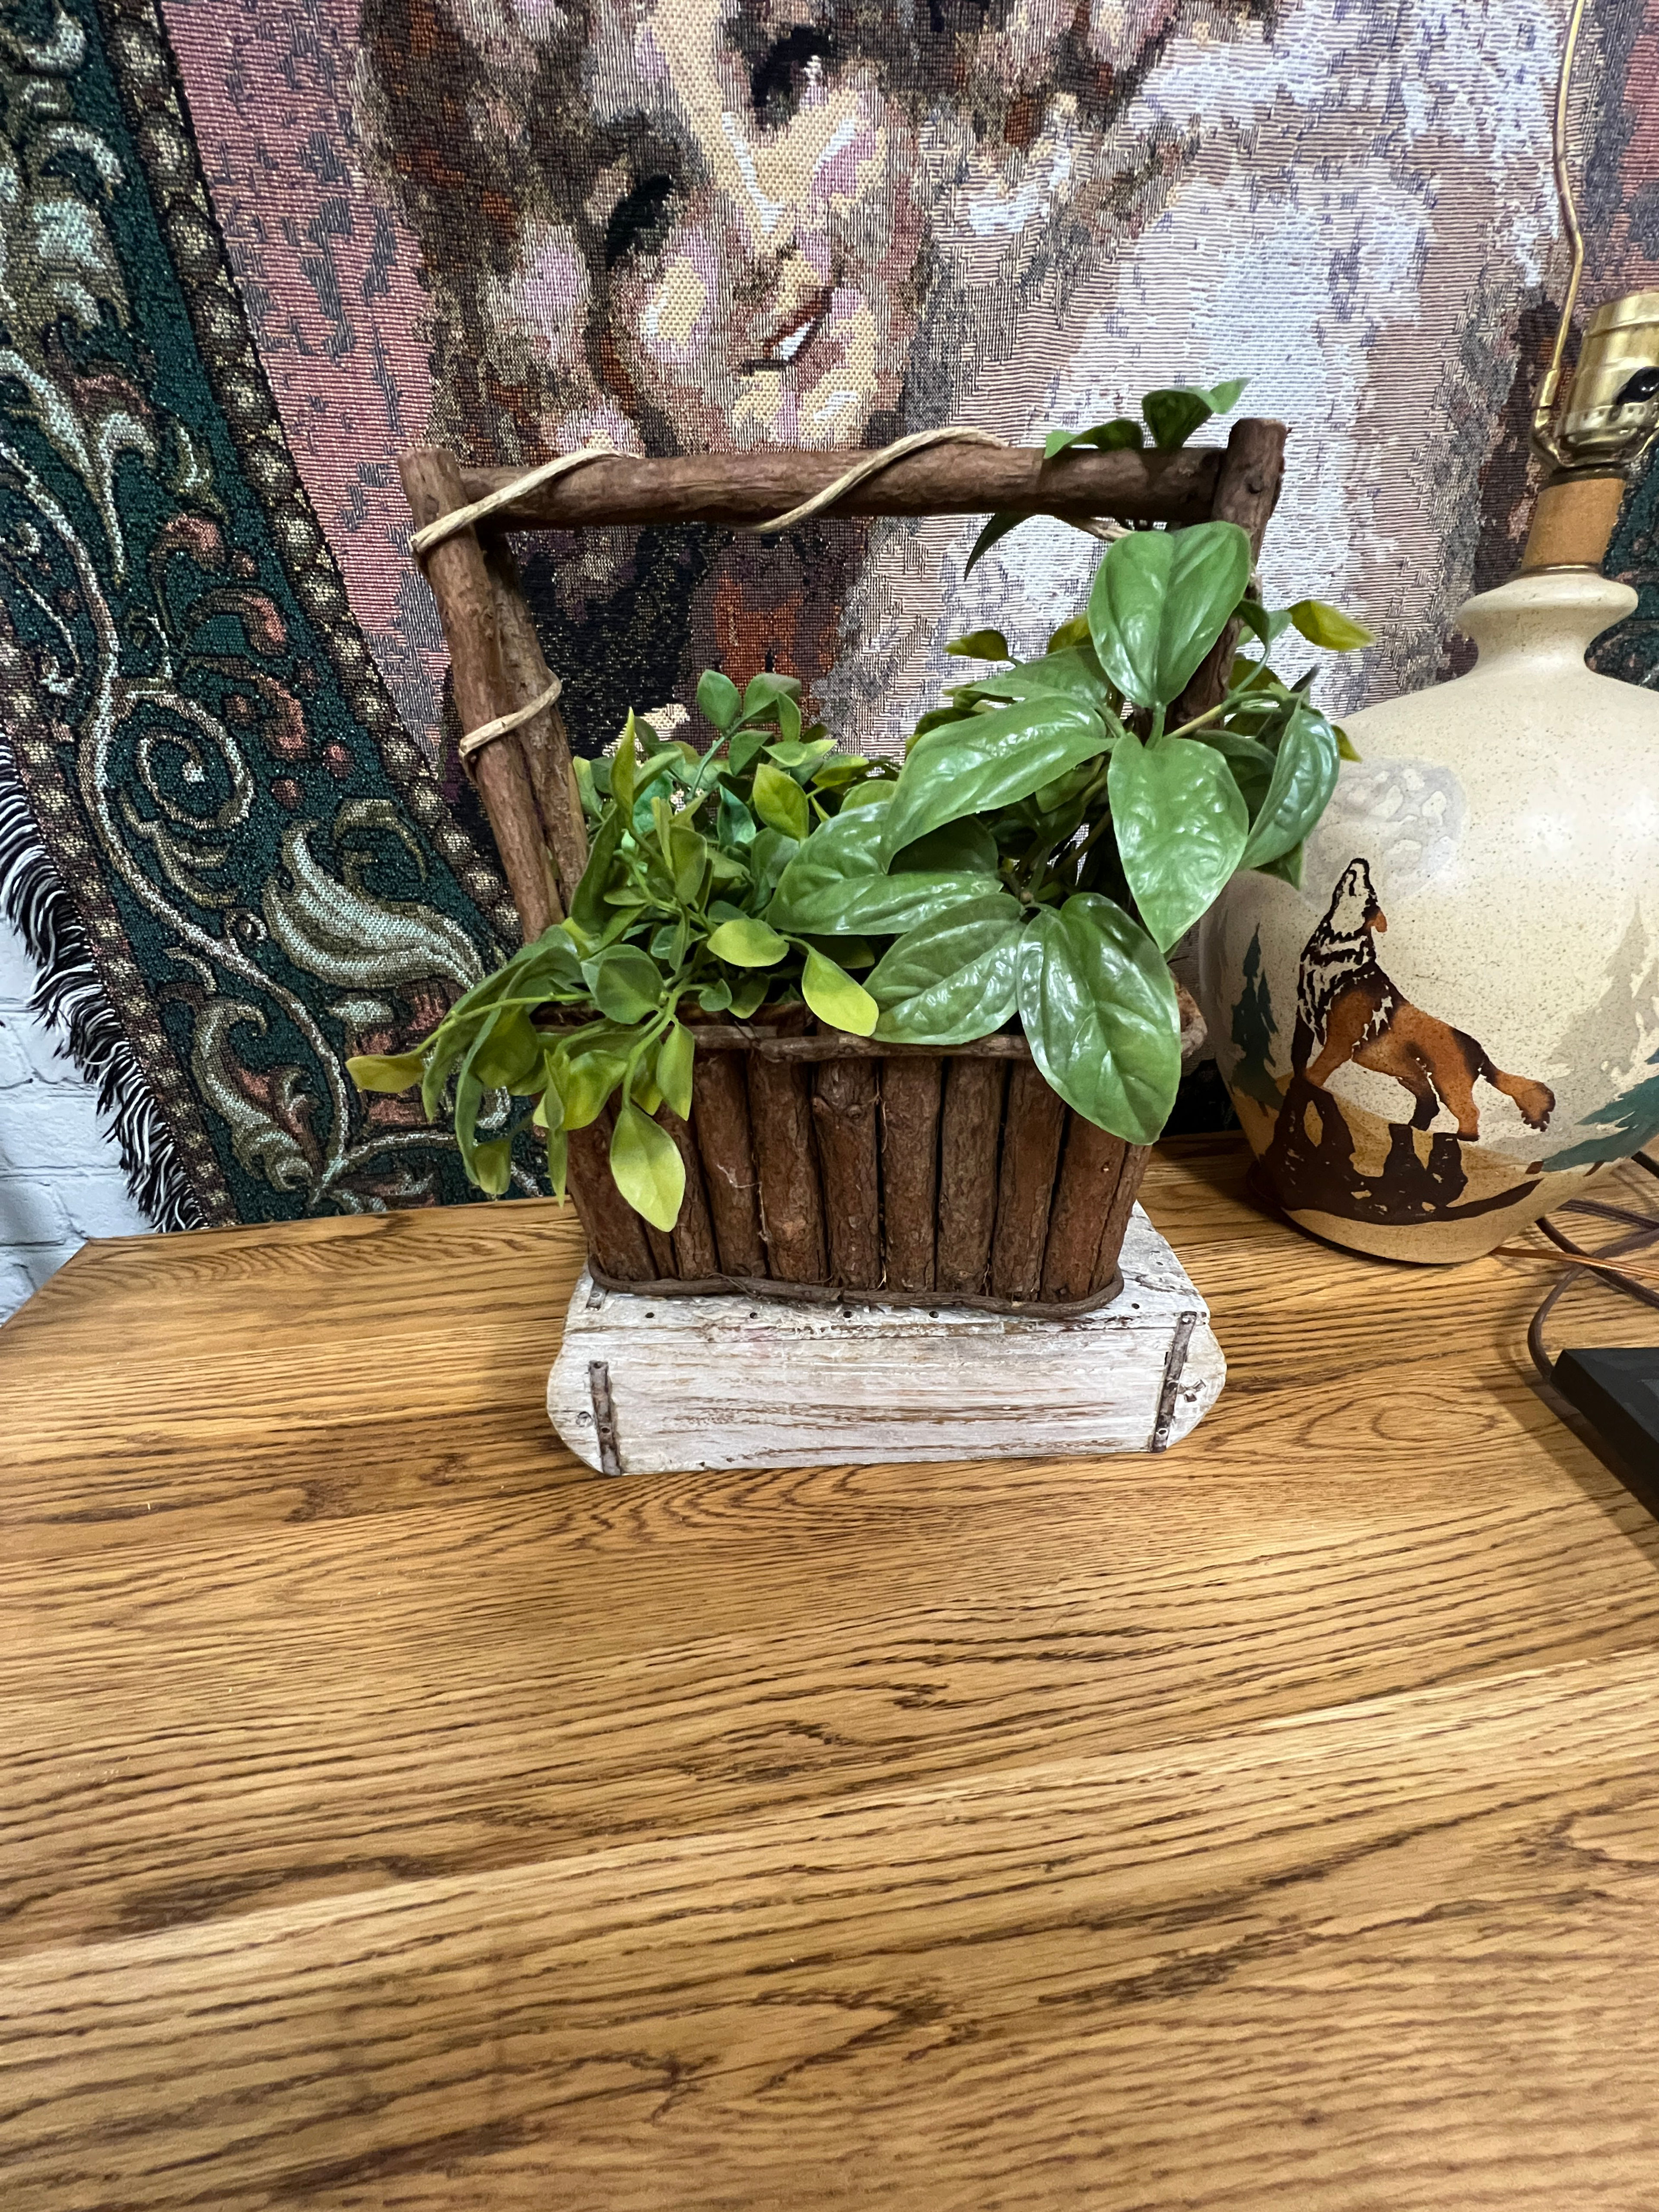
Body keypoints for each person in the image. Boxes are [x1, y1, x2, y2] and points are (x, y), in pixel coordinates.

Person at [357, 0, 1647, 755]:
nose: (764, 238)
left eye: (789, 74)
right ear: (561, 325)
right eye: (642, 211)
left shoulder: (1099, 426)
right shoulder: (657, 705)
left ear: (915, 80)